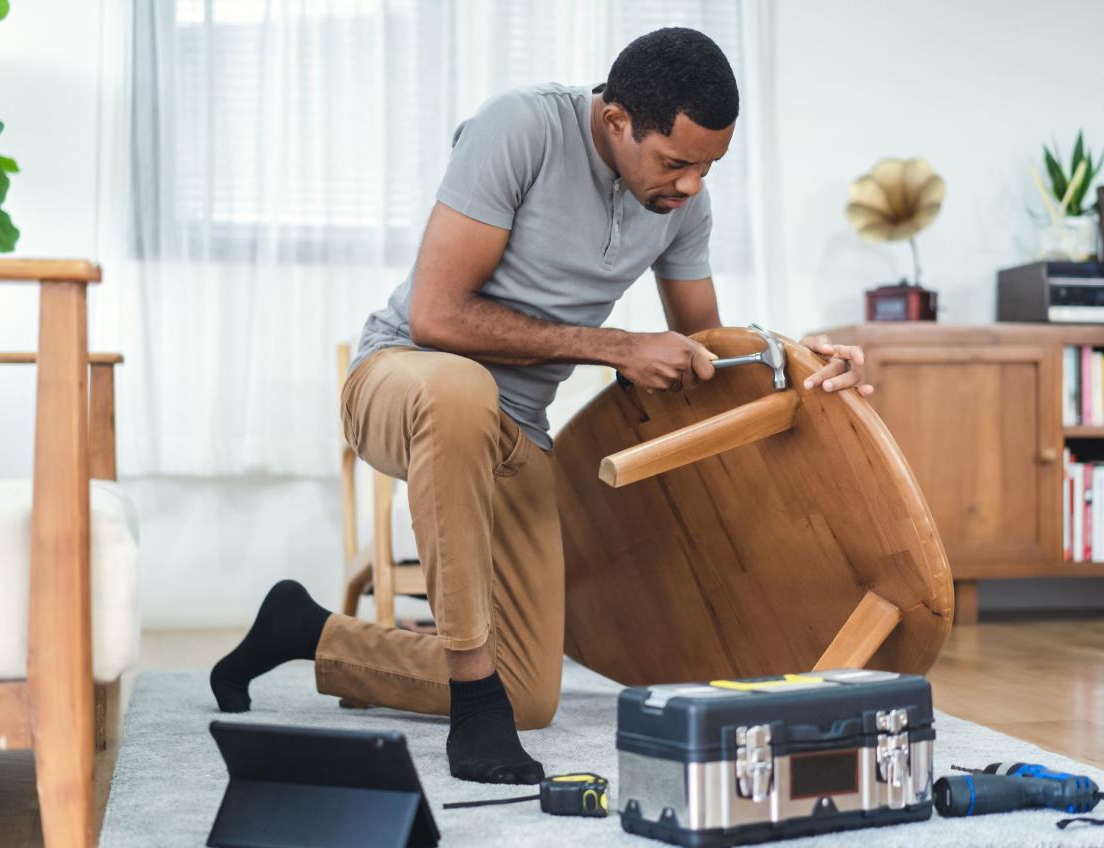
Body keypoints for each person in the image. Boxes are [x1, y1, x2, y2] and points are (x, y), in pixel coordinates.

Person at [209, 26, 872, 785]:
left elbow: (704, 353)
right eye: (678, 162)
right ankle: (471, 706)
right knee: (462, 386)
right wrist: (619, 346)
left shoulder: (682, 205)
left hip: (514, 432)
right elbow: (438, 315)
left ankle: (306, 630)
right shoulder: (521, 127)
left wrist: (800, 357)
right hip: (403, 379)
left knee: (526, 692)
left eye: (708, 166)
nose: (692, 185)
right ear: (618, 120)